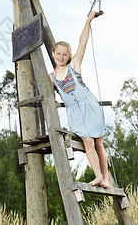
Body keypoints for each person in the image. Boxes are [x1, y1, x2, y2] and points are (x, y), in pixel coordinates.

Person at [50, 11, 109, 188]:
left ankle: (105, 178)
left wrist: (89, 20)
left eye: (65, 55)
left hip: (88, 105)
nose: (61, 57)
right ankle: (97, 175)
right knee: (87, 140)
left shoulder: (74, 65)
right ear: (53, 54)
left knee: (98, 141)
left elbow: (82, 42)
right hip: (74, 111)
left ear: (69, 56)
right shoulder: (51, 77)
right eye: (58, 54)